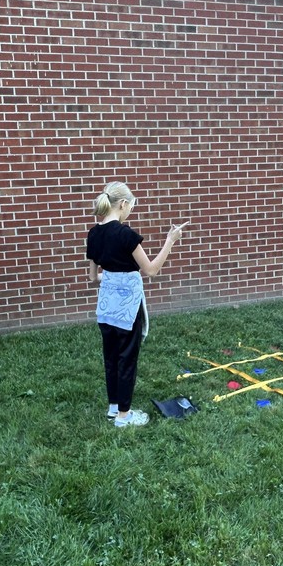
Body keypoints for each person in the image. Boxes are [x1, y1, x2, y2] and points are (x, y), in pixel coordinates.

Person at [87, 182, 187, 427]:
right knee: (127, 359)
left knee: (110, 358)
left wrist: (114, 277)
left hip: (106, 308)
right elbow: (151, 270)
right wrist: (170, 240)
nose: (130, 210)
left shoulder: (93, 234)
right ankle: (124, 416)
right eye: (131, 205)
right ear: (122, 204)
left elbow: (92, 278)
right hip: (127, 308)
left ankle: (113, 407)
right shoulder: (125, 234)